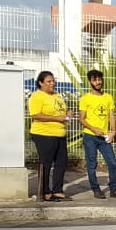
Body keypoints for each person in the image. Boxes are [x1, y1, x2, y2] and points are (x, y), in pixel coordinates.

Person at [78, 69, 116, 199]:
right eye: (95, 80)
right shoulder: (85, 99)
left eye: (99, 79)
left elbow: (111, 115)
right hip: (90, 136)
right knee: (92, 164)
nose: (98, 82)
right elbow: (81, 119)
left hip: (104, 137)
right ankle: (96, 189)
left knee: (112, 163)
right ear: (90, 82)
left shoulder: (108, 97)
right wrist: (93, 129)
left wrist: (113, 131)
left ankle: (113, 189)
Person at [27, 70, 70, 202]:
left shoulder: (57, 96)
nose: (52, 84)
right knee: (46, 163)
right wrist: (57, 119)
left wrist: (68, 112)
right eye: (49, 81)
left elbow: (62, 110)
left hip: (60, 133)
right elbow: (36, 115)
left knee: (61, 161)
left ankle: (57, 190)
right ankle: (44, 191)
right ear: (41, 83)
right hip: (44, 133)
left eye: (53, 81)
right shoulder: (37, 96)